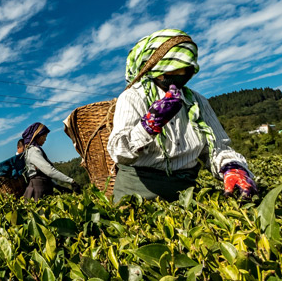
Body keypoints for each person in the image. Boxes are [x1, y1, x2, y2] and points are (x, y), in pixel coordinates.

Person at [106, 29, 257, 203]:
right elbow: (119, 152)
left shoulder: (197, 102)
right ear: (155, 67)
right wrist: (149, 124)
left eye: (186, 70)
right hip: (138, 195)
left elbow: (217, 147)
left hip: (186, 194)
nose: (181, 75)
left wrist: (232, 168)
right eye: (174, 70)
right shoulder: (133, 96)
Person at [21, 122, 81, 200]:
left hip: (43, 186)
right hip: (38, 189)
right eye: (44, 136)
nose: (45, 139)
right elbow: (49, 171)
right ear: (37, 136)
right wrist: (71, 181)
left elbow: (44, 174)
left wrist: (58, 186)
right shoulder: (33, 151)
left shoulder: (34, 150)